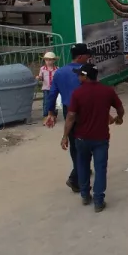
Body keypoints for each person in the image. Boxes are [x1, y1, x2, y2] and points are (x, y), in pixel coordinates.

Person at [62, 63, 124, 212]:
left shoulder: (77, 94)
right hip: (101, 138)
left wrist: (65, 136)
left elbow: (71, 116)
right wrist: (119, 118)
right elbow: (120, 108)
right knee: (100, 168)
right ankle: (98, 200)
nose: (78, 77)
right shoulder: (107, 91)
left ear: (84, 76)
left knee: (83, 165)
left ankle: (85, 195)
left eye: (79, 74)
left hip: (81, 138)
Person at [44, 43, 92, 194]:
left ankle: (80, 170)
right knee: (88, 144)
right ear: (80, 57)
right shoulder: (85, 71)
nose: (89, 57)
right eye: (86, 55)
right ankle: (75, 177)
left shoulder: (60, 72)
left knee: (74, 142)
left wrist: (50, 112)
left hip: (68, 110)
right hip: (84, 111)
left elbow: (52, 94)